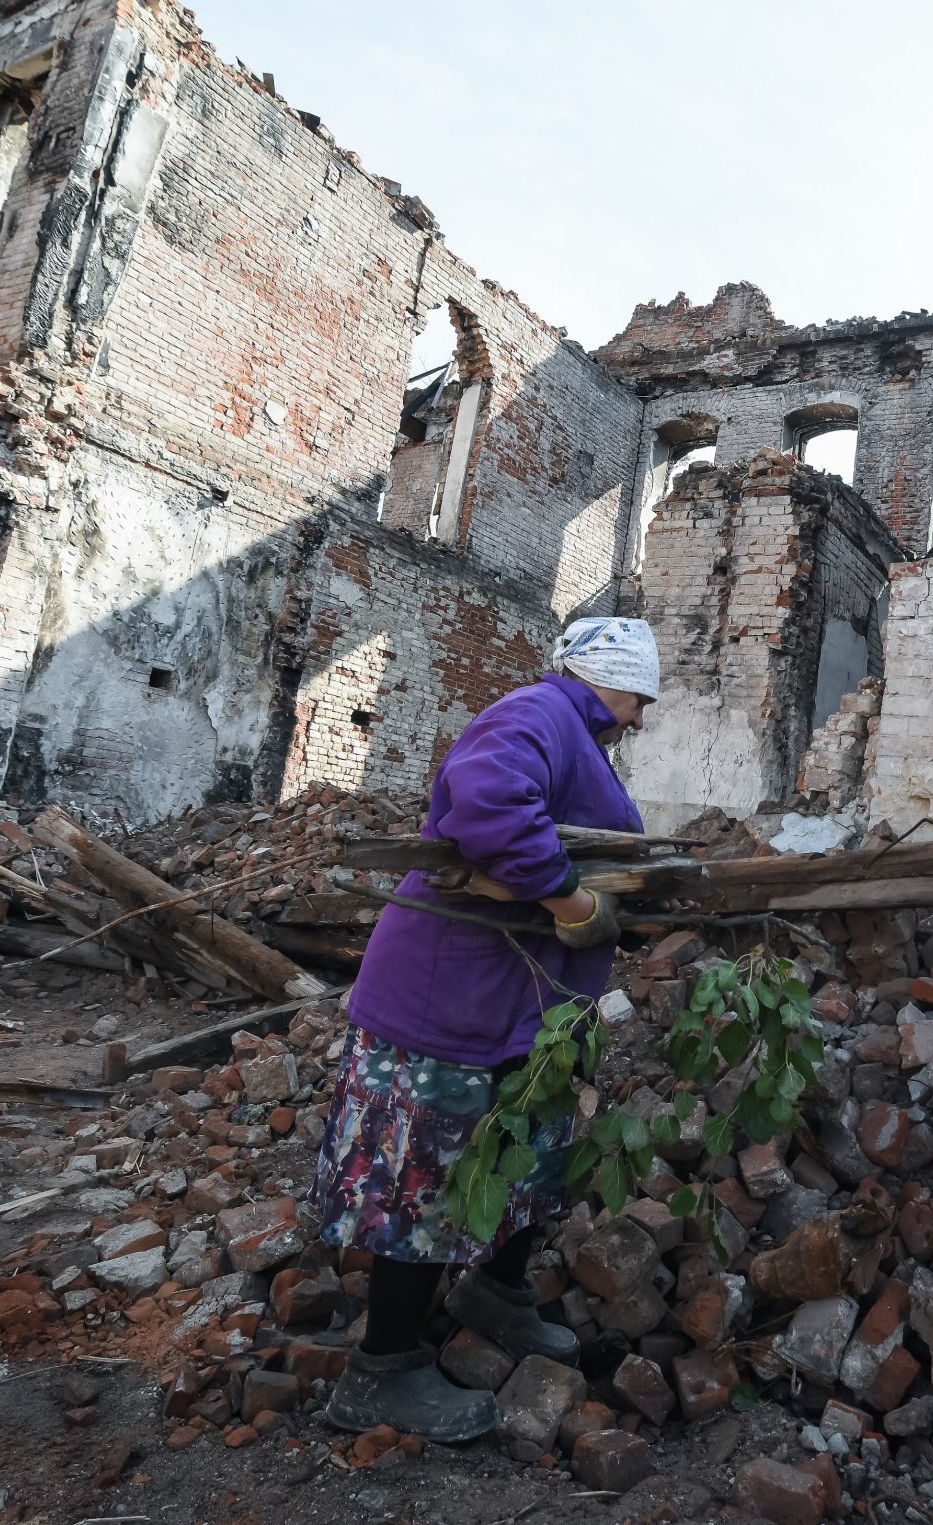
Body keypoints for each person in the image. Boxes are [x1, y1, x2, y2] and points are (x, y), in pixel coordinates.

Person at [311, 615, 657, 1441]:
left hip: (512, 1017)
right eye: (639, 694)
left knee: (528, 1149)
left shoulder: (575, 733)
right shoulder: (537, 713)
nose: (642, 714)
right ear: (605, 677)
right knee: (423, 1176)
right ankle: (381, 1369)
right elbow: (489, 802)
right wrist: (572, 902)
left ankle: (493, 1295)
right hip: (446, 1011)